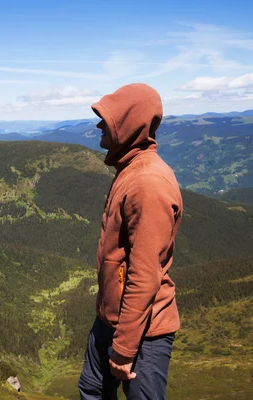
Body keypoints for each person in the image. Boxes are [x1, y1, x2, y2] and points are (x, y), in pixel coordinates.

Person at [78, 83, 183, 400]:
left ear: (128, 125)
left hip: (144, 332)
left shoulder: (148, 183)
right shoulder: (129, 170)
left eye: (107, 120)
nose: (99, 125)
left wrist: (124, 349)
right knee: (92, 390)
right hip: (110, 318)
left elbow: (144, 274)